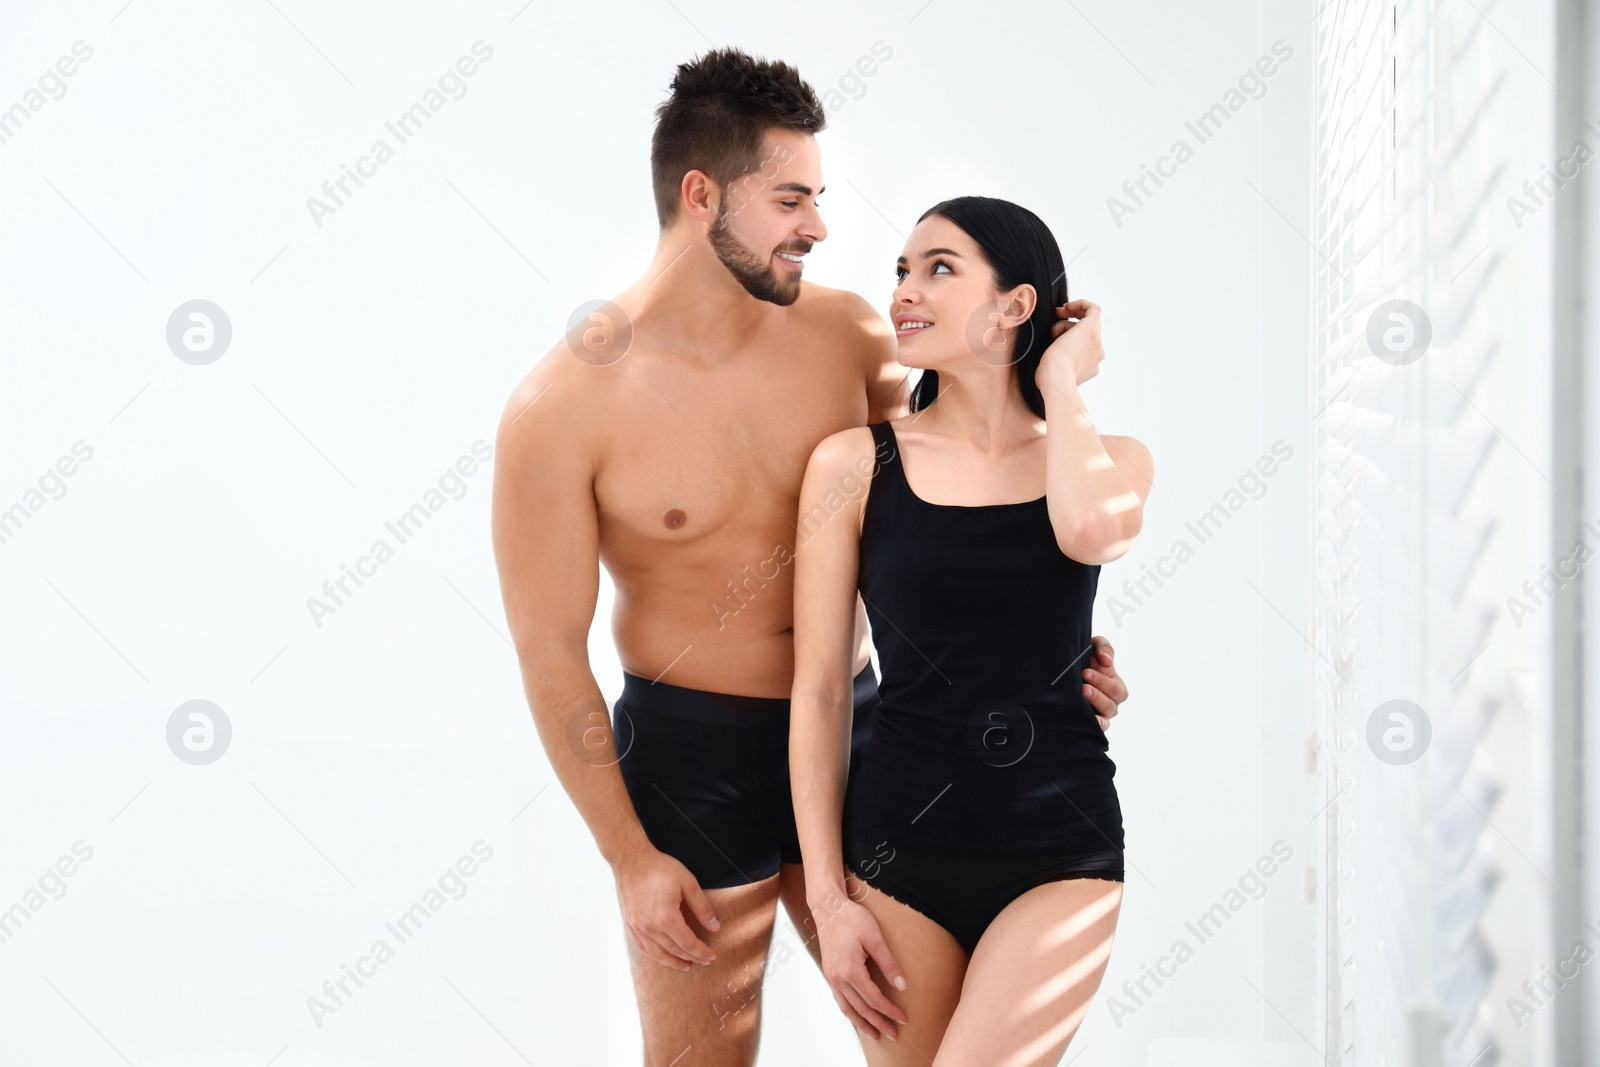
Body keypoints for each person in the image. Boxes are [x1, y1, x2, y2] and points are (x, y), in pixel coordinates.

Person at [490, 49, 1133, 1065]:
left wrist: (1050, 652)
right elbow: (548, 652)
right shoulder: (562, 408)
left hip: (871, 734)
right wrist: (628, 857)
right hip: (692, 758)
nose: (821, 227)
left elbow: (955, 499)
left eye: (820, 198)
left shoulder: (846, 337)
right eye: (792, 198)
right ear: (703, 196)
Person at [789, 196, 1154, 1065]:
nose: (906, 292)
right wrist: (830, 902)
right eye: (903, 272)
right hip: (895, 853)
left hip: (1058, 849)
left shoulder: (1114, 460)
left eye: (939, 268)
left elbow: (1091, 534)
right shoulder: (850, 465)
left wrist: (1059, 381)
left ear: (1015, 305)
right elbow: (822, 688)